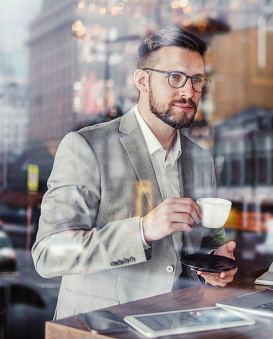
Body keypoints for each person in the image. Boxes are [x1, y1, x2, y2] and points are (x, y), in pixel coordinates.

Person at [31, 27, 237, 320]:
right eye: (175, 77)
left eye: (197, 80)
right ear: (142, 80)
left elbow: (206, 240)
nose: (189, 92)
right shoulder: (86, 147)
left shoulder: (202, 160)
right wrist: (142, 230)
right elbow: (49, 254)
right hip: (101, 327)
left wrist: (214, 262)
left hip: (178, 324)